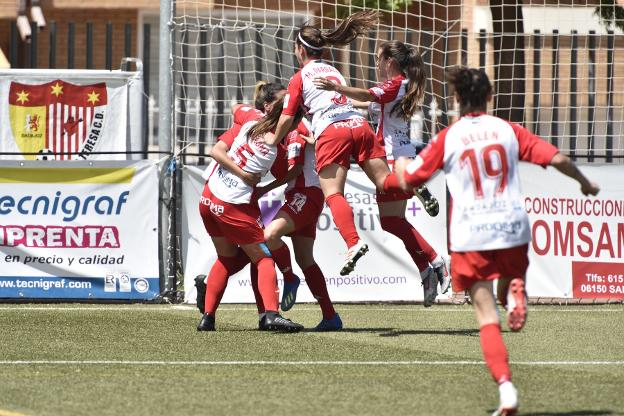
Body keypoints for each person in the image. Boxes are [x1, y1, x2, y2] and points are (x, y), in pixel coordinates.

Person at [394, 67, 600, 415]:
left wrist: (400, 163)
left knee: (486, 314)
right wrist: (584, 182)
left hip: (471, 233)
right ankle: (515, 288)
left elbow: (409, 181)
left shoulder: (450, 136)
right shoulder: (506, 130)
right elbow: (558, 158)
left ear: (456, 99)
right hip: (511, 226)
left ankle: (507, 391)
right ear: (490, 97)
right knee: (507, 286)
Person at [265, 10, 432, 280]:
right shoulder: (335, 73)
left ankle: (353, 242)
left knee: (333, 194)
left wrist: (273, 141)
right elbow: (342, 103)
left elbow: (286, 118)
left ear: (299, 50)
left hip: (334, 133)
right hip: (359, 127)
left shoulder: (299, 77)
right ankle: (411, 183)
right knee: (383, 181)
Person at [313, 40, 450, 306]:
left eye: (378, 58)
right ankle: (428, 268)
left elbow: (365, 96)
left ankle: (435, 257)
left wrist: (335, 87)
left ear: (390, 61)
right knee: (392, 221)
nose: (376, 62)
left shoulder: (395, 84)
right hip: (400, 153)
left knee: (389, 199)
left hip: (390, 155)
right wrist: (333, 103)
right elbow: (365, 102)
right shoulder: (400, 86)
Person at [197, 95, 304, 332]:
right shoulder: (273, 151)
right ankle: (271, 315)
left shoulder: (248, 124)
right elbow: (293, 170)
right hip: (233, 204)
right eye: (296, 122)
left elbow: (236, 109)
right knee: (264, 257)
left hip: (208, 197)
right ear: (288, 122)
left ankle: (207, 317)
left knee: (226, 258)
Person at [257, 119, 342, 330]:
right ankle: (330, 316)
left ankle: (289, 277)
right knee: (305, 259)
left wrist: (263, 188)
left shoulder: (297, 129)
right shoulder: (298, 127)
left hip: (305, 195)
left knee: (270, 235)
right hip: (304, 195)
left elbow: (294, 171)